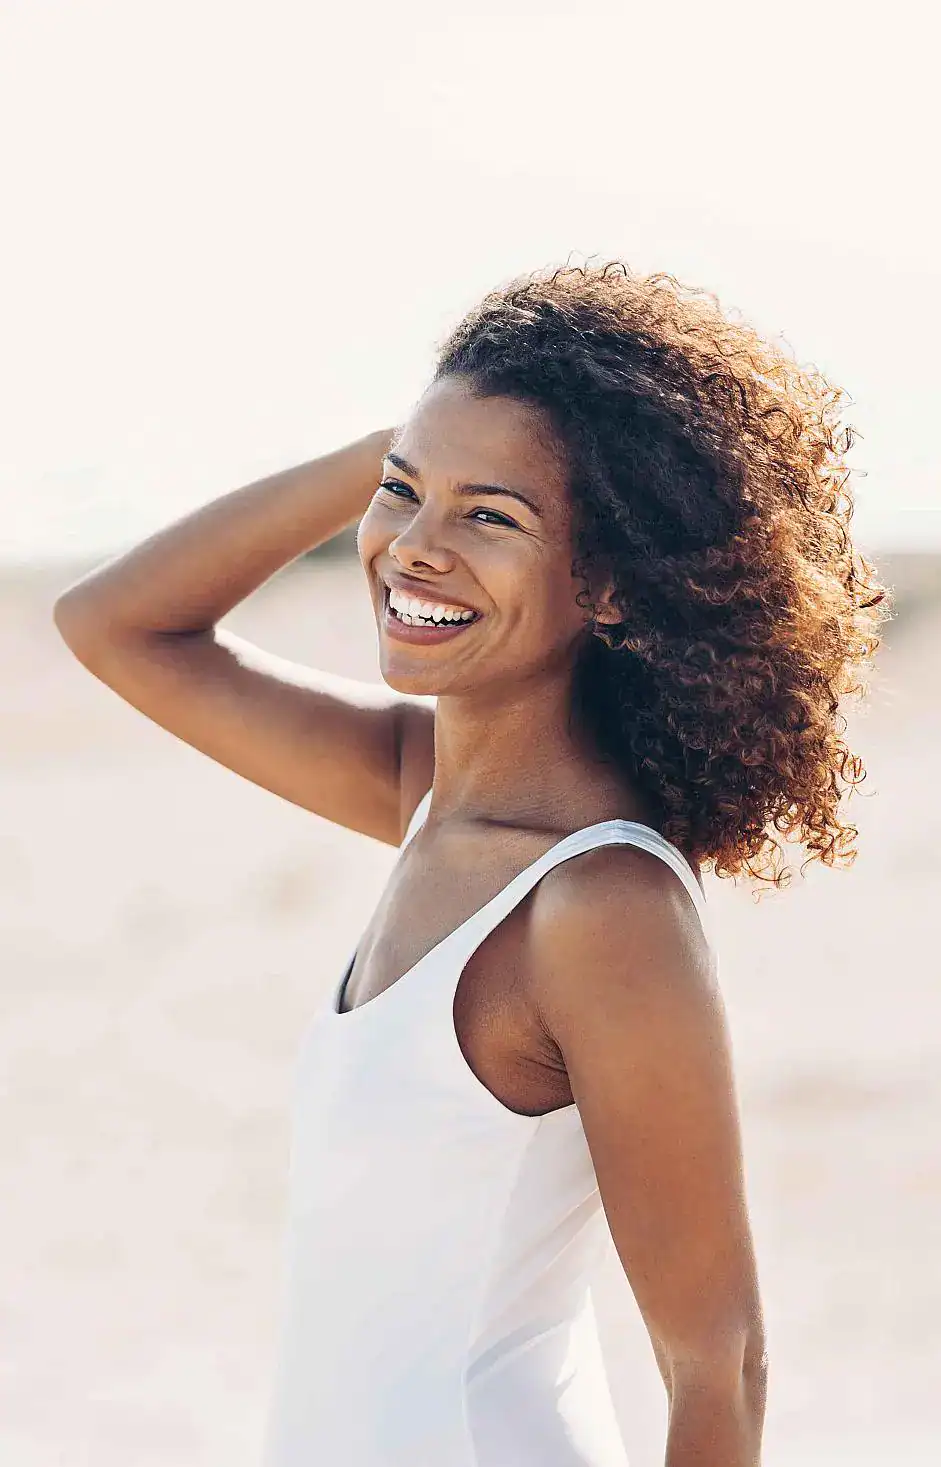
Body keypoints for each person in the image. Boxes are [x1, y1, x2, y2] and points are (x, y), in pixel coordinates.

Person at [53, 260, 891, 1467]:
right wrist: (407, 452)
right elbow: (113, 626)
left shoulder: (598, 904)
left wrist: (424, 458)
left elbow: (720, 1363)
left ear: (607, 584)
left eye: (491, 517)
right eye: (402, 497)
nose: (413, 550)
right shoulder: (427, 800)